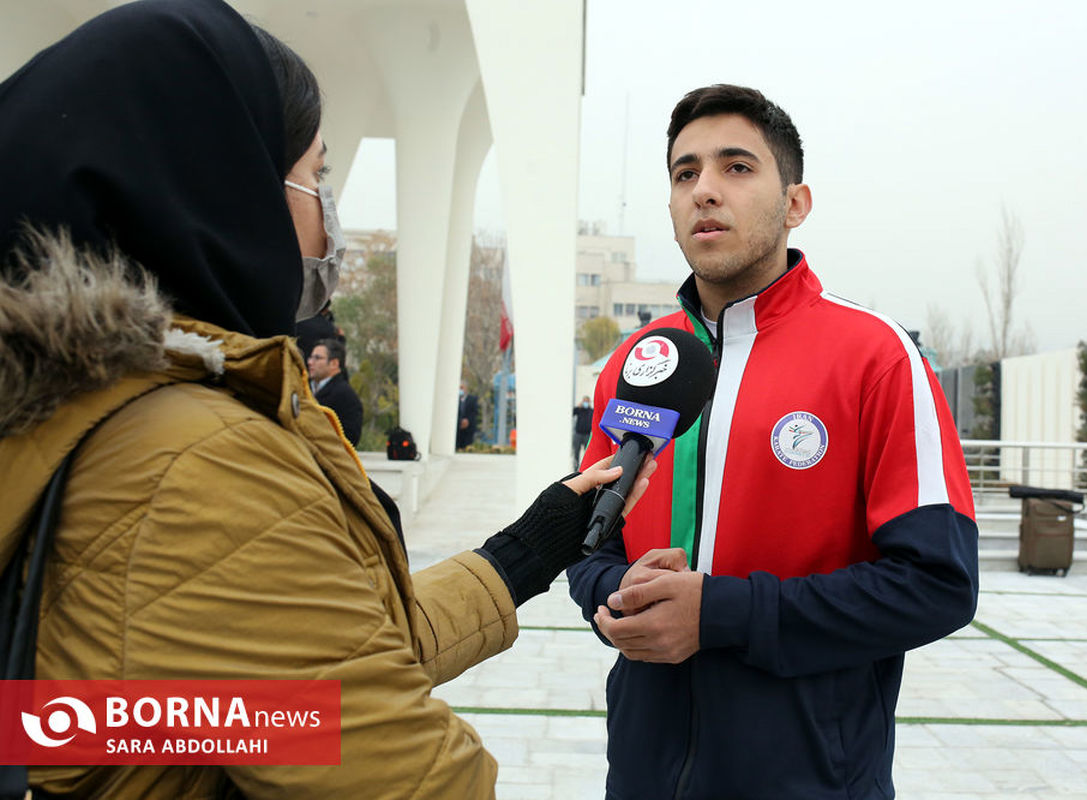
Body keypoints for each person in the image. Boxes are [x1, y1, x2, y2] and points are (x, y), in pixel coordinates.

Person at [0, 2, 654, 796]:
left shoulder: (83, 408)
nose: (327, 215)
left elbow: (286, 698)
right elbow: (410, 777)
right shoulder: (195, 459)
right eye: (316, 175)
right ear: (226, 184)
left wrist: (521, 554)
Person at [567, 84, 979, 799]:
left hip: (810, 774)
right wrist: (617, 596)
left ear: (795, 204)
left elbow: (938, 584)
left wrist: (719, 614)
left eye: (737, 167)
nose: (704, 192)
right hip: (642, 769)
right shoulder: (640, 363)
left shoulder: (874, 357)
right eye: (684, 173)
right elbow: (589, 545)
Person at [308, 338, 364, 446]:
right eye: (310, 357)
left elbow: (350, 438)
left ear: (334, 363)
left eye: (317, 358)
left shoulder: (345, 396)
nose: (310, 362)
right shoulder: (304, 387)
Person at [571, 395, 593, 467]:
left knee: (587, 452)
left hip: (587, 434)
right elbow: (572, 413)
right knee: (576, 451)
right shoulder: (579, 410)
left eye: (587, 401)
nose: (585, 403)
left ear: (589, 402)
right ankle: (576, 466)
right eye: (584, 401)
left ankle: (585, 466)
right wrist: (578, 406)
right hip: (578, 434)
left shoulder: (591, 411)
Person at [457, 382, 479, 450]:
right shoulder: (455, 399)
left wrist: (467, 420)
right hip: (458, 429)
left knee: (467, 448)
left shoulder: (473, 399)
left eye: (461, 388)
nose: (460, 390)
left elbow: (474, 412)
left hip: (469, 429)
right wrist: (460, 421)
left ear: (466, 389)